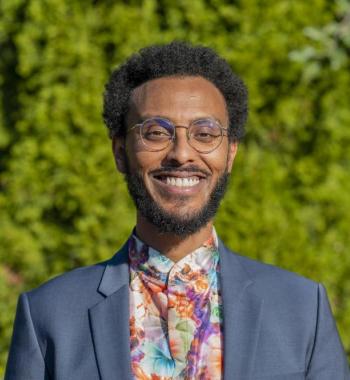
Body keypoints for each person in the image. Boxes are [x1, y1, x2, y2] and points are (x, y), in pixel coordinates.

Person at [5, 41, 349, 380]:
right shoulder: (50, 315)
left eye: (205, 133)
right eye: (156, 132)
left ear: (230, 154)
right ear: (121, 152)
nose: (182, 153)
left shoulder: (302, 309)